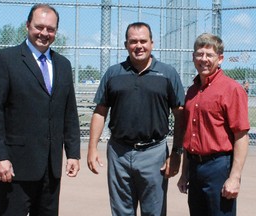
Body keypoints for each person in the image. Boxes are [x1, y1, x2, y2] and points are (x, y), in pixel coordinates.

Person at [0, 4, 81, 216]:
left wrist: (73, 153)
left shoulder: (63, 65)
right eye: (39, 27)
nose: (44, 33)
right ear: (27, 26)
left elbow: (69, 112)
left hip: (51, 168)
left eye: (50, 29)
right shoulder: (5, 59)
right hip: (15, 166)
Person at [87, 22, 185, 216]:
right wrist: (92, 148)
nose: (138, 46)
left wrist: (176, 153)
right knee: (121, 212)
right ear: (126, 45)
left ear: (152, 43)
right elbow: (100, 112)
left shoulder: (167, 74)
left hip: (154, 153)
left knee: (154, 212)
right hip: (119, 153)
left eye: (143, 41)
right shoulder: (113, 73)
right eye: (133, 41)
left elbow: (181, 115)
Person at [177, 33, 250, 216]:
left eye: (209, 55)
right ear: (193, 57)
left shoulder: (231, 89)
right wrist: (185, 172)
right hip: (195, 167)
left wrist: (234, 177)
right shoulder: (192, 91)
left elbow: (241, 135)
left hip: (218, 167)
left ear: (220, 58)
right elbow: (190, 133)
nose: (204, 59)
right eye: (199, 54)